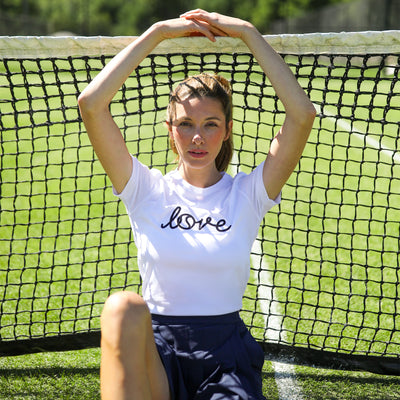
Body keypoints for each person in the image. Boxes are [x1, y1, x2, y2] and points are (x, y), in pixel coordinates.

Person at [78, 9, 315, 400]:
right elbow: (91, 104)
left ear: (226, 131)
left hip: (224, 356)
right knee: (123, 307)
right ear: (170, 130)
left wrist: (248, 33)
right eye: (186, 124)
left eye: (210, 124)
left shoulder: (249, 192)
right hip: (158, 354)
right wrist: (156, 33)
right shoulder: (145, 189)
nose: (197, 138)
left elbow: (302, 115)